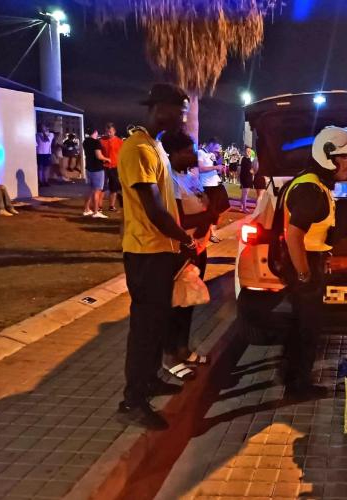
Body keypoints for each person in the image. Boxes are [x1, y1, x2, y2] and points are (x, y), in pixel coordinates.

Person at [116, 83, 197, 430]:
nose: (183, 119)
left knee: (156, 324)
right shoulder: (137, 149)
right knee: (145, 330)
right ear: (160, 108)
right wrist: (184, 238)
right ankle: (133, 401)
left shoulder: (155, 146)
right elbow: (153, 209)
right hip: (145, 252)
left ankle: (149, 381)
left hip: (159, 251)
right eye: (181, 112)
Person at [281, 126, 347, 399]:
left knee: (302, 327)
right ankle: (299, 386)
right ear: (328, 156)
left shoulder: (314, 184)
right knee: (307, 329)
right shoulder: (311, 189)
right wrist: (304, 274)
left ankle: (293, 378)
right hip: (304, 264)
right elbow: (293, 235)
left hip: (308, 261)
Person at [160, 130, 214, 380]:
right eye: (188, 152)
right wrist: (207, 216)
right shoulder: (169, 181)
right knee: (176, 303)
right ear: (173, 153)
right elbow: (178, 219)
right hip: (181, 251)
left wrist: (209, 212)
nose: (193, 156)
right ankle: (169, 355)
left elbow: (204, 203)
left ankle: (183, 348)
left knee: (189, 302)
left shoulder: (188, 176)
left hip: (198, 248)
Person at [198, 141, 223, 243]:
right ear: (211, 144)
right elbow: (200, 169)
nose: (217, 149)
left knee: (217, 210)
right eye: (216, 147)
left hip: (216, 184)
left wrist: (219, 161)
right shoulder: (200, 153)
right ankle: (211, 234)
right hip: (207, 186)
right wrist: (215, 167)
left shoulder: (212, 155)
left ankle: (211, 232)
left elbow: (217, 167)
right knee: (210, 211)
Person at [82, 128, 111, 219]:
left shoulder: (85, 141)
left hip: (88, 168)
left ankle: (86, 209)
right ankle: (96, 211)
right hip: (97, 169)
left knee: (89, 189)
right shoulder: (96, 142)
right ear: (95, 132)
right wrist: (107, 159)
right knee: (97, 191)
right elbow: (99, 156)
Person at [101, 122, 124, 212]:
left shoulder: (120, 142)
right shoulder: (101, 141)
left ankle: (111, 206)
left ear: (114, 131)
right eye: (107, 131)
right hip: (103, 167)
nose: (108, 133)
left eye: (110, 131)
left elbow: (123, 154)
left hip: (115, 167)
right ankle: (99, 206)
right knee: (102, 187)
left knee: (114, 187)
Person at [239, 146, 254, 212]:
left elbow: (252, 168)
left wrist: (252, 172)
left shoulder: (251, 159)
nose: (248, 152)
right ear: (244, 152)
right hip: (244, 177)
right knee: (245, 193)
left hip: (249, 177)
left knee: (244, 193)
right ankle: (244, 208)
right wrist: (239, 177)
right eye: (247, 151)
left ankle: (241, 206)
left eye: (249, 151)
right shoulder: (242, 158)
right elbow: (239, 169)